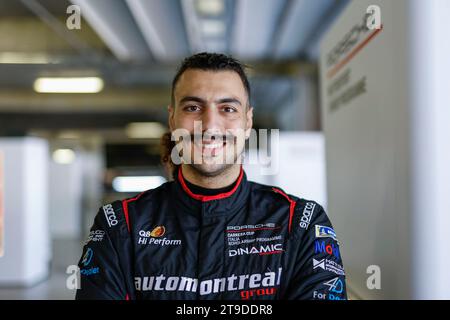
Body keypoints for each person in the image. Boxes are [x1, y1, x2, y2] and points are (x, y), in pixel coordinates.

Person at [75, 52, 347, 300]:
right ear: (172, 119)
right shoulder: (118, 226)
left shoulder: (301, 222)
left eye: (228, 109)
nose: (210, 125)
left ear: (248, 121)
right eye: (193, 108)